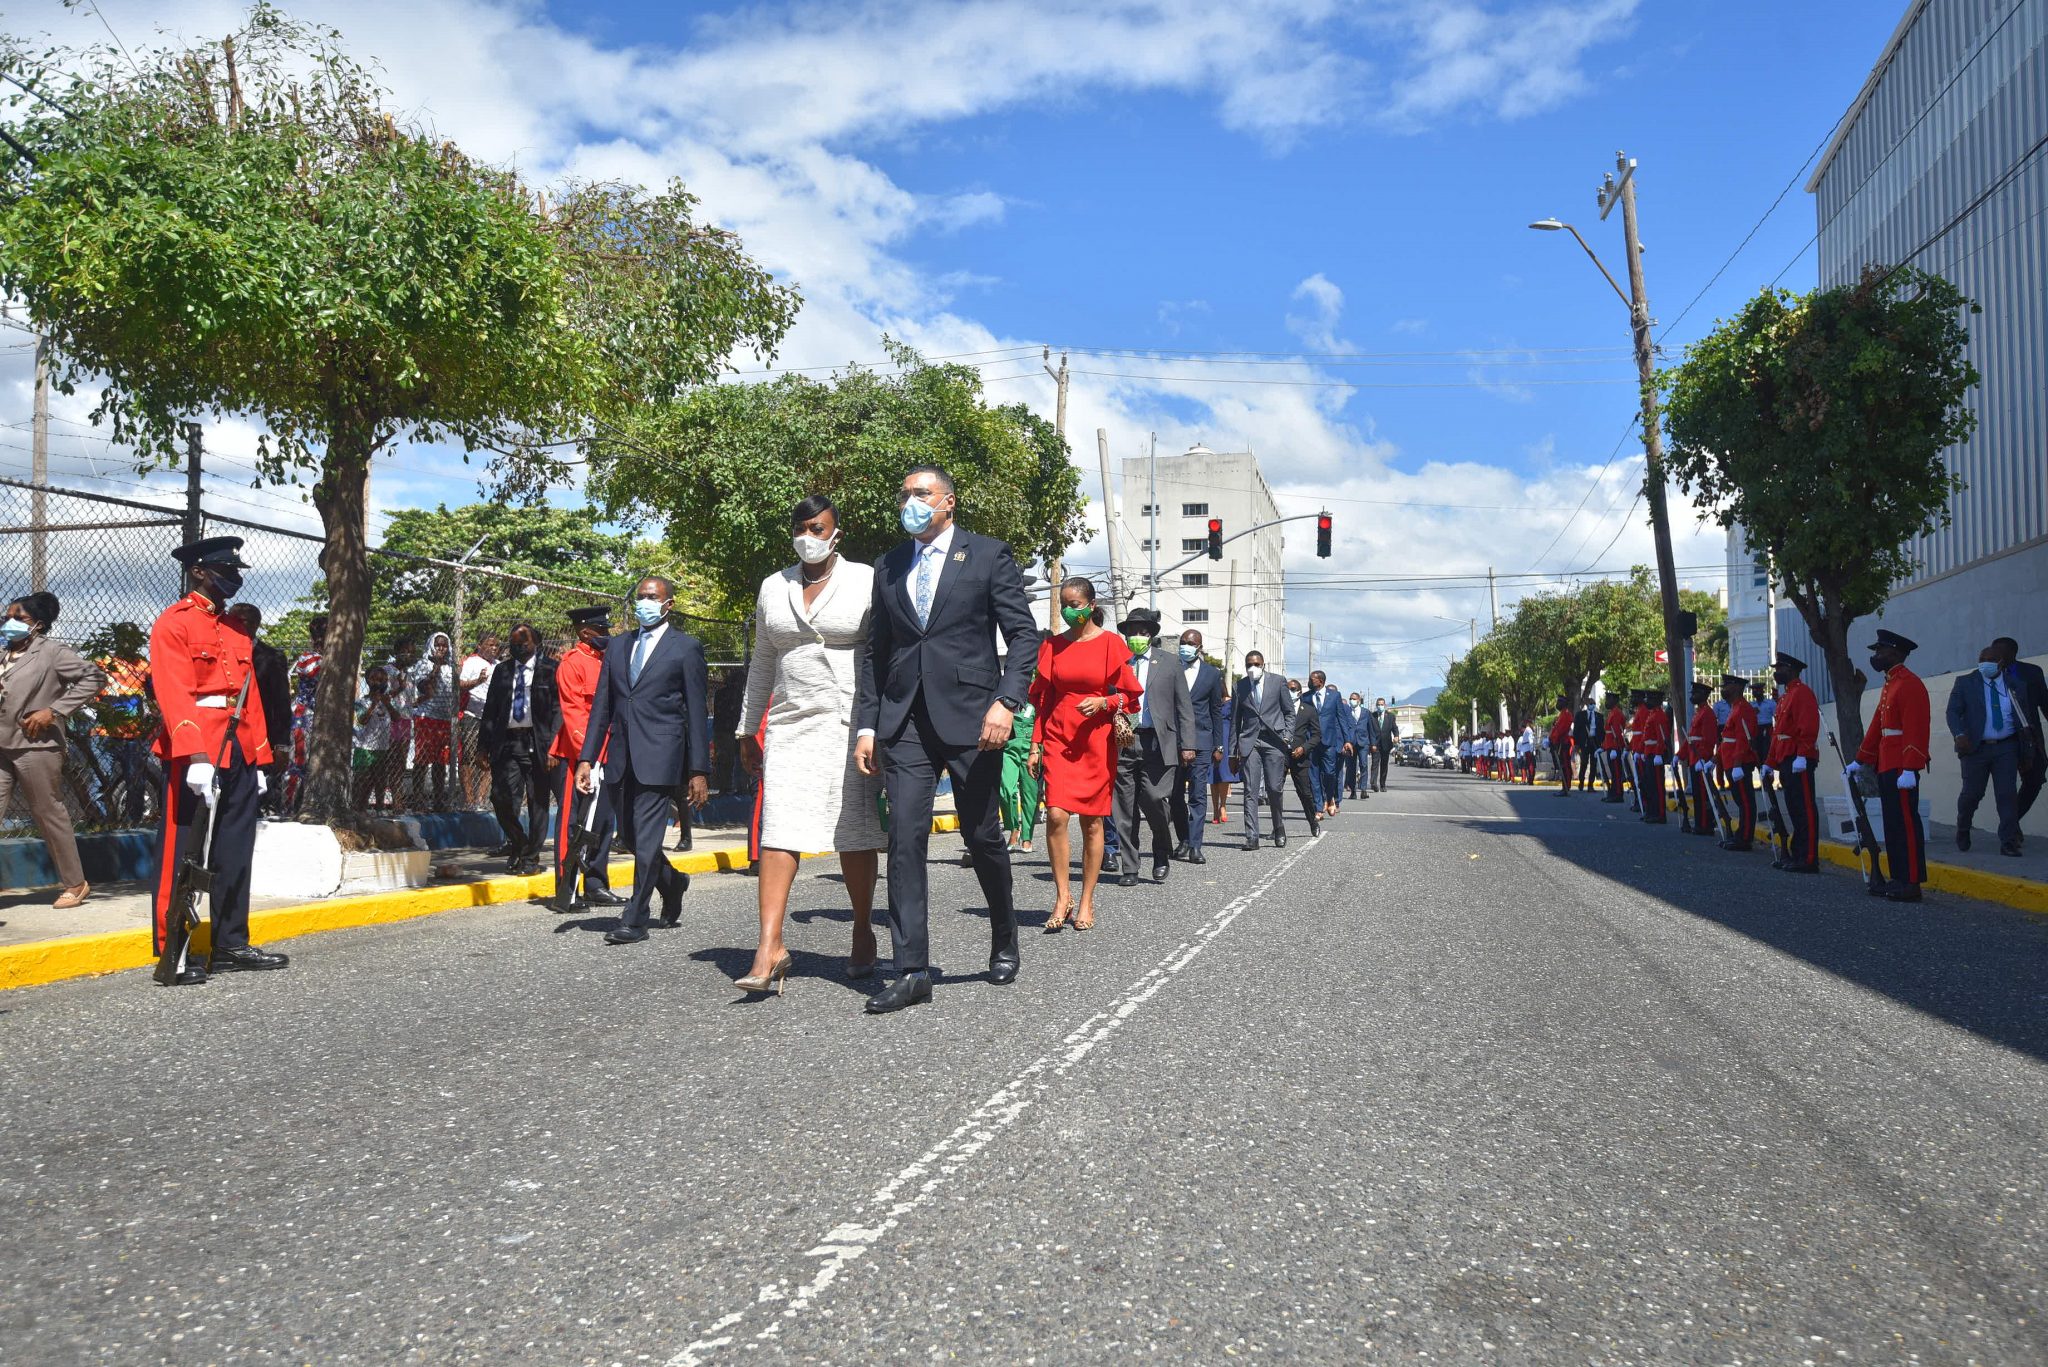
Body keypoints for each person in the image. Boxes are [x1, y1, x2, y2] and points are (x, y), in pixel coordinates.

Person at [852, 466, 1035, 1013]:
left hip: (974, 719)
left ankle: (1004, 935)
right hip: (904, 720)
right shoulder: (888, 564)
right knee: (905, 839)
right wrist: (868, 725)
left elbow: (1022, 634)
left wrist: (1007, 701)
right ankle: (912, 969)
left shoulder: (987, 555)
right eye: (904, 493)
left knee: (981, 836)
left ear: (947, 502)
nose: (909, 501)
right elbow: (874, 651)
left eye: (920, 494)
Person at [733, 496, 885, 994]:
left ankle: (863, 930)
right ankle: (769, 945)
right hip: (790, 722)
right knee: (779, 826)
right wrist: (746, 729)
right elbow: (761, 662)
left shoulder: (864, 578)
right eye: (801, 528)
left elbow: (885, 653)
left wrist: (878, 724)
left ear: (836, 531)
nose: (809, 535)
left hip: (850, 721)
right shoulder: (773, 585)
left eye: (818, 527)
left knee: (854, 829)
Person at [148, 537, 287, 977]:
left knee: (235, 849)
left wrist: (261, 758)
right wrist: (194, 755)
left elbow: (251, 700)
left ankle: (230, 943)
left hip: (241, 747)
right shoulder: (174, 623)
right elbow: (174, 693)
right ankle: (176, 948)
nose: (234, 577)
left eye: (236, 570)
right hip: (200, 749)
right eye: (224, 570)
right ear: (199, 572)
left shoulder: (235, 628)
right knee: (183, 851)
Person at [579, 577, 710, 944]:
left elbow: (697, 713)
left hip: (662, 756)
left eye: (652, 597)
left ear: (668, 604)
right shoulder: (619, 647)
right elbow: (602, 707)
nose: (644, 603)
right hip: (621, 756)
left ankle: (635, 917)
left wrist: (698, 770)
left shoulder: (685, 648)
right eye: (640, 597)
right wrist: (587, 758)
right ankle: (674, 882)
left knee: (648, 838)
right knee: (634, 839)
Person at [1027, 577, 1138, 934]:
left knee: (1091, 822)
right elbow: (1042, 700)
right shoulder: (1053, 646)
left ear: (1091, 605)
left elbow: (1130, 698)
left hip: (1095, 741)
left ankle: (1087, 899)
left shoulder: (1110, 644)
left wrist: (1105, 701)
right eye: (1064, 603)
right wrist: (1035, 744)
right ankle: (1063, 896)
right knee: (1057, 815)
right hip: (1059, 739)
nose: (1069, 609)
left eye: (1075, 603)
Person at [0, 592, 104, 908]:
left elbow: (95, 677)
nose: (9, 623)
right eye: (6, 617)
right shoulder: (3, 652)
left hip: (37, 745)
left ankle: (75, 883)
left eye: (18, 618)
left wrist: (55, 711)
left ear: (38, 624)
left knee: (48, 813)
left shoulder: (52, 652)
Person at [1111, 608, 1194, 887]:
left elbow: (1184, 707)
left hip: (1159, 743)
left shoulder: (1169, 663)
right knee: (1123, 809)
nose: (1136, 636)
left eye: (1142, 631)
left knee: (1156, 801)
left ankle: (1161, 852)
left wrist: (1188, 745)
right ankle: (1130, 866)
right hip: (1123, 740)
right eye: (1131, 631)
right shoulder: (1116, 663)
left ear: (1150, 634)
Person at [549, 607, 621, 911]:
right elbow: (575, 713)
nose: (606, 636)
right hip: (578, 756)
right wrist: (587, 758)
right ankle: (568, 886)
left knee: (603, 821)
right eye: (601, 631)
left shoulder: (608, 662)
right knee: (574, 822)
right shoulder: (572, 664)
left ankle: (595, 884)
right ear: (585, 632)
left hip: (608, 752)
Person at [1851, 629, 1930, 901]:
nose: (1876, 656)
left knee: (1906, 824)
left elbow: (1916, 728)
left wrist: (1911, 767)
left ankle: (1911, 882)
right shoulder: (1890, 683)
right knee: (1893, 824)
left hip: (1901, 767)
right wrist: (1860, 759)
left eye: (1880, 651)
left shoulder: (1909, 683)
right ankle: (1898, 878)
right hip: (1887, 763)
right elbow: (1877, 727)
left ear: (1895, 652)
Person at [482, 623, 558, 875]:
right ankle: (519, 843)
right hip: (508, 742)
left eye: (523, 643)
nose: (517, 647)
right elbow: (490, 709)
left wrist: (554, 748)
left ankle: (531, 857)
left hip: (539, 744)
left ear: (536, 643)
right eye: (513, 643)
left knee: (538, 802)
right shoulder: (502, 671)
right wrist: (482, 746)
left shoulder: (551, 669)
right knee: (500, 797)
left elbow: (559, 710)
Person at [1946, 642, 2025, 857]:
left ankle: (2008, 841)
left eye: (1990, 660)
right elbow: (1953, 712)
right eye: (1981, 660)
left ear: (2001, 662)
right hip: (1975, 748)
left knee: (2007, 794)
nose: (1985, 664)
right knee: (1972, 794)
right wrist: (1959, 734)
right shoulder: (1965, 683)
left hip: (2006, 747)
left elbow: (2022, 716)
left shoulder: (2014, 684)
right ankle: (1963, 827)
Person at [226, 604, 291, 818]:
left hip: (262, 736)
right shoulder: (222, 652)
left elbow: (281, 702)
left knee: (263, 795)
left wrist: (281, 744)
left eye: (240, 621)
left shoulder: (271, 658)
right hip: (226, 734)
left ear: (254, 625)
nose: (233, 625)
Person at [1170, 628, 1226, 865]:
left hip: (1202, 741)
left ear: (1200, 647)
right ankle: (1183, 838)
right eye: (1183, 642)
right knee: (1173, 795)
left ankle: (1195, 845)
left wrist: (1218, 745)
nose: (1186, 646)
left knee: (1197, 794)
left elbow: (1215, 710)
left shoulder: (1212, 674)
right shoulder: (1170, 668)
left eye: (1191, 643)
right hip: (1173, 741)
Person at [1763, 652, 1821, 873]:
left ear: (1792, 670)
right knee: (1794, 808)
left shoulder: (1802, 693)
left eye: (1780, 669)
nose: (1777, 673)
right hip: (1787, 757)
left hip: (1799, 758)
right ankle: (1797, 854)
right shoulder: (1786, 697)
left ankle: (1808, 858)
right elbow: (1778, 733)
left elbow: (1808, 726)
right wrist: (1770, 761)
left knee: (1805, 808)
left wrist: (1803, 755)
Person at [1229, 649, 1291, 850]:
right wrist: (1232, 752)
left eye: (1256, 664)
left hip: (1274, 741)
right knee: (1250, 790)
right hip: (1250, 741)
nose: (1252, 668)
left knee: (1274, 788)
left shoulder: (1278, 681)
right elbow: (1235, 721)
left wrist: (1287, 735)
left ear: (1263, 665)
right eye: (1248, 664)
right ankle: (1252, 836)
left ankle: (1278, 827)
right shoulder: (1240, 686)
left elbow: (1289, 711)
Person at [1991, 636, 2045, 826]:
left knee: (2035, 779)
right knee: (2005, 786)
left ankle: (2010, 822)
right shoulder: (1985, 675)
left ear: (2012, 653)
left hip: (2030, 738)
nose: (1995, 655)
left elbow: (2044, 702)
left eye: (1999, 651)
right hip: (2002, 739)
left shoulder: (2032, 672)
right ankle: (2009, 828)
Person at [409, 631, 458, 811]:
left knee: (440, 761)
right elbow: (425, 687)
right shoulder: (423, 664)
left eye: (444, 645)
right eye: (438, 645)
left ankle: (438, 799)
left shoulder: (451, 666)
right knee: (422, 759)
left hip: (445, 718)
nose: (441, 648)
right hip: (427, 716)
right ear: (431, 645)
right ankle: (418, 799)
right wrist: (435, 667)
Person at [284, 614, 325, 814]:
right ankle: (288, 807)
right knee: (298, 762)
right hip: (304, 714)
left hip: (321, 716)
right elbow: (310, 671)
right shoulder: (309, 657)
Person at [1716, 674, 1761, 852]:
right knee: (1740, 799)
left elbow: (1744, 739)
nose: (1723, 689)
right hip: (1730, 762)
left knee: (1745, 801)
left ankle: (1745, 837)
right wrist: (1716, 759)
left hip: (1739, 763)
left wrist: (1737, 763)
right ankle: (1740, 832)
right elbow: (1727, 738)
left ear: (1736, 687)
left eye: (1727, 685)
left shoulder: (1743, 709)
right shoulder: (1735, 708)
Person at [353, 666, 404, 811]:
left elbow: (397, 718)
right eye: (374, 680)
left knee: (380, 781)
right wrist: (373, 705)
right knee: (362, 781)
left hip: (382, 748)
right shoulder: (361, 702)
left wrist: (386, 704)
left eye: (381, 680)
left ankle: (380, 809)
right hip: (364, 748)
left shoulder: (388, 700)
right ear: (367, 681)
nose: (378, 683)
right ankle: (358, 809)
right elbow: (362, 720)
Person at [457, 633, 498, 808]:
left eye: (497, 646)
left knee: (490, 758)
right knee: (469, 756)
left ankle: (481, 798)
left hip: (492, 718)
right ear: (480, 645)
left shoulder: (498, 665)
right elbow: (460, 685)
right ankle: (469, 799)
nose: (494, 649)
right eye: (490, 645)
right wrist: (478, 681)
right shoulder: (472, 662)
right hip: (473, 715)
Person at [1305, 671, 1352, 817]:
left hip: (1329, 741)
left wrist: (1347, 740)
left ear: (1321, 681)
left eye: (1313, 679)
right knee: (1313, 775)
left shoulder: (1334, 696)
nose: (1310, 681)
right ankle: (1319, 807)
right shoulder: (1306, 697)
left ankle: (1330, 797)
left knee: (1329, 773)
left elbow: (1342, 718)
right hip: (1311, 741)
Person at [999, 692, 1040, 855]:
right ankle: (1013, 828)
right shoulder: (1007, 702)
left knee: (1030, 795)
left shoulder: (1037, 703)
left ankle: (1027, 836)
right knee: (1006, 790)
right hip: (1009, 750)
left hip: (1031, 750)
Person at [1283, 679, 1322, 837]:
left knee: (1305, 792)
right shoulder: (1279, 708)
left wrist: (1304, 748)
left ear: (1299, 692)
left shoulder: (1309, 710)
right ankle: (1277, 827)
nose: (1289, 691)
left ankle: (1313, 822)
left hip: (1300, 756)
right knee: (1276, 790)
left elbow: (1316, 735)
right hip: (1281, 754)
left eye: (1292, 689)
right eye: (1287, 689)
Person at [1684, 680, 1720, 837]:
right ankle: (1700, 822)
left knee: (1703, 793)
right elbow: (1691, 738)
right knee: (1698, 794)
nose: (1692, 695)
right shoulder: (1699, 712)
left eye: (1696, 693)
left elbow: (1709, 739)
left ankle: (1705, 823)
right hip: (1694, 757)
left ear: (1704, 695)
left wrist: (1704, 758)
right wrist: (1680, 755)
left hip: (1700, 759)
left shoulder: (1708, 713)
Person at [1634, 688, 1671, 823]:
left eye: (1650, 699)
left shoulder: (1660, 715)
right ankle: (1651, 811)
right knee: (1648, 784)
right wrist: (1640, 751)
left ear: (1656, 701)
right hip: (1649, 752)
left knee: (1657, 787)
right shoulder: (1652, 714)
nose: (1647, 701)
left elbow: (1662, 736)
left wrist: (1659, 753)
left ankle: (1660, 814)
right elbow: (1645, 737)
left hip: (1655, 754)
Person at [1601, 694, 1628, 803]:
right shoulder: (1612, 712)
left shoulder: (1616, 713)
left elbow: (1616, 732)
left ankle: (1617, 794)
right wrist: (1603, 746)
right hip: (1609, 744)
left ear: (1615, 700)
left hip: (1614, 746)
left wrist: (1614, 747)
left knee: (1616, 771)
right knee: (1612, 771)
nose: (1607, 701)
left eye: (1609, 699)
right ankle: (1612, 792)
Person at [1548, 695, 1575, 793]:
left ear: (1563, 703)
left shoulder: (1566, 714)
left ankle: (1566, 787)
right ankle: (1564, 787)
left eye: (1559, 702)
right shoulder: (1562, 714)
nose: (1557, 704)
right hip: (1560, 743)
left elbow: (1561, 730)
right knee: (1563, 765)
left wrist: (1553, 739)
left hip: (1564, 743)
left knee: (1565, 765)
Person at [1369, 696, 1396, 792]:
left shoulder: (1391, 716)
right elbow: (1370, 730)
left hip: (1386, 744)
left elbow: (1394, 728)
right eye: (1378, 705)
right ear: (1376, 706)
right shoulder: (1372, 716)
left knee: (1384, 765)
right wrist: (1371, 743)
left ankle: (1383, 784)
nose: (1380, 706)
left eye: (1382, 704)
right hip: (1375, 744)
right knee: (1375, 763)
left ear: (1385, 705)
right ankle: (1373, 783)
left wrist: (1396, 736)